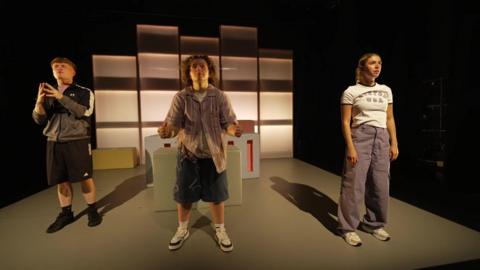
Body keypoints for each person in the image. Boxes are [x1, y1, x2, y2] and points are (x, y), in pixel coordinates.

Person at [158, 55, 242, 252]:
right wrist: (166, 132)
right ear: (188, 73)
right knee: (185, 196)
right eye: (194, 66)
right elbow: (173, 125)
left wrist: (233, 130)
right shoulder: (181, 97)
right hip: (188, 152)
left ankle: (220, 229)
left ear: (209, 71)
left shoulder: (220, 96)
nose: (198, 69)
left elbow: (228, 122)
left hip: (215, 154)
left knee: (216, 196)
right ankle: (182, 229)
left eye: (202, 66)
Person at [32, 57, 102, 233]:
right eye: (56, 66)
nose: (59, 68)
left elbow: (84, 111)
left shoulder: (83, 91)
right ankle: (66, 214)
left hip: (77, 140)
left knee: (85, 177)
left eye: (63, 66)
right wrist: (39, 103)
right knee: (61, 180)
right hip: (54, 141)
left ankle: (92, 210)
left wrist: (60, 97)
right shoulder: (47, 92)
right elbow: (39, 120)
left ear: (73, 71)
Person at [337, 53, 399, 246]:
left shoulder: (386, 90)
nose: (377, 66)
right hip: (360, 136)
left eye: (380, 63)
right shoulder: (351, 91)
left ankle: (374, 224)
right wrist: (351, 147)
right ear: (362, 67)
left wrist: (394, 142)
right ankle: (348, 228)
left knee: (380, 183)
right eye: (373, 63)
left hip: (381, 138)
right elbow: (346, 122)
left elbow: (389, 119)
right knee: (353, 184)